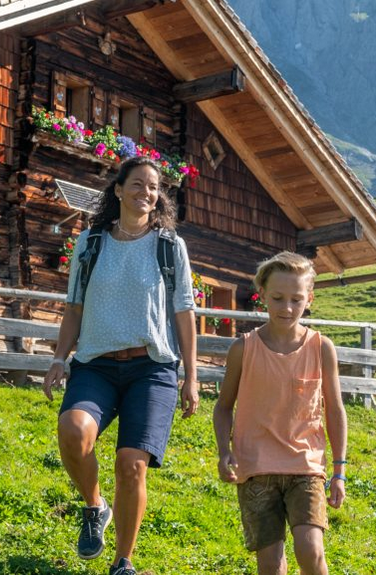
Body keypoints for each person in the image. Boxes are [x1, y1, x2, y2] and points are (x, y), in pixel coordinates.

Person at [41, 157, 199, 575]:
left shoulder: (169, 246)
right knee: (73, 431)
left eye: (153, 187)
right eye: (138, 184)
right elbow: (74, 306)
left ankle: (122, 562)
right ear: (118, 189)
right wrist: (60, 357)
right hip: (95, 365)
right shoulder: (90, 243)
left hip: (153, 368)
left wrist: (192, 377)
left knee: (131, 464)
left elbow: (184, 312)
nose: (146, 192)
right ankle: (95, 507)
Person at [213, 252, 349, 575]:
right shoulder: (243, 349)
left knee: (311, 550)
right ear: (262, 295)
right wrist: (223, 452)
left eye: (296, 299)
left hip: (306, 466)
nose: (286, 308)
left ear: (309, 299)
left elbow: (335, 410)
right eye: (277, 298)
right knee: (270, 566)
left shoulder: (321, 348)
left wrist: (340, 471)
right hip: (255, 468)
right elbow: (222, 407)